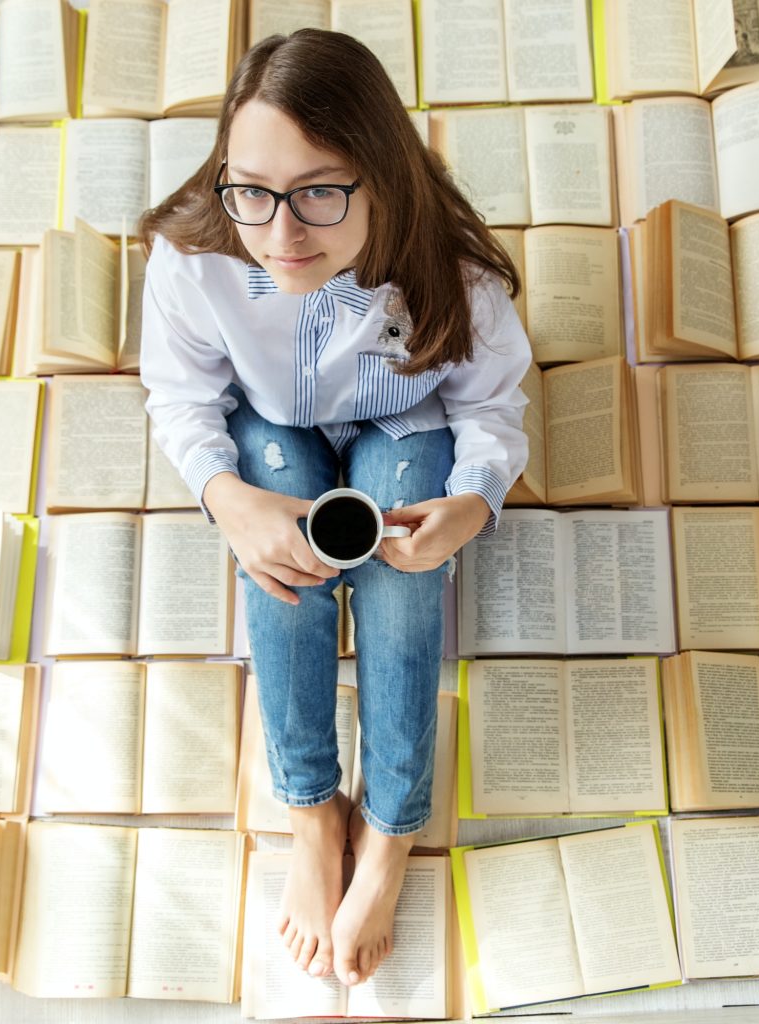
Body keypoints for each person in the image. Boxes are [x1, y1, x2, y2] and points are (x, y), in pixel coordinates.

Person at [139, 28, 531, 988]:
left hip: (407, 427)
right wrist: (228, 500)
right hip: (273, 433)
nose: (279, 234)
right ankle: (314, 813)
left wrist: (472, 507)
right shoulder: (194, 257)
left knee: (405, 586)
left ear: (380, 174)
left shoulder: (453, 268)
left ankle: (392, 830)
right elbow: (183, 397)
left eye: (319, 191)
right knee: (281, 572)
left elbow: (491, 408)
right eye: (252, 190)